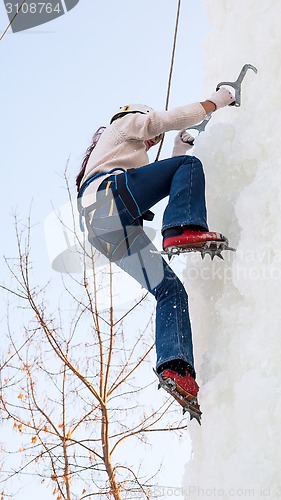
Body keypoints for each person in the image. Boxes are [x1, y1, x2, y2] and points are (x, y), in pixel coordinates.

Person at [76, 87, 234, 422]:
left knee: (170, 291)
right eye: (152, 137)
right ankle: (183, 230)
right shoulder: (125, 124)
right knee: (189, 166)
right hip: (109, 201)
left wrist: (179, 146)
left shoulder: (118, 155)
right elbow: (168, 120)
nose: (151, 141)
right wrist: (218, 101)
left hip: (104, 229)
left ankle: (176, 369)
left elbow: (161, 177)